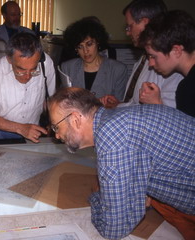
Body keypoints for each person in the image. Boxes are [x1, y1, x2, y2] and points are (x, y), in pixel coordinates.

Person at [48, 87, 195, 240]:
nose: (57, 135)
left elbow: (114, 229)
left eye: (56, 127)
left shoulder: (112, 137)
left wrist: (96, 197)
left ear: (75, 119)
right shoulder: (116, 119)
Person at [99, 0, 182, 109]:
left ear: (145, 23)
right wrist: (118, 105)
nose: (128, 33)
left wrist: (156, 104)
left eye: (130, 27)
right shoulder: (143, 59)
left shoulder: (170, 63)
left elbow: (174, 113)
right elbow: (136, 104)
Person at [0, 32, 55, 143]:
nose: (28, 76)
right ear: (9, 59)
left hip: (33, 131)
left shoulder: (45, 63)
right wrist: (21, 128)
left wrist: (52, 122)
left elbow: (51, 99)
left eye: (33, 69)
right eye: (21, 70)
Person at [139, 10, 195, 118]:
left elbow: (185, 133)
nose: (150, 63)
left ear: (176, 50)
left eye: (153, 56)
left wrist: (157, 106)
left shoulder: (188, 88)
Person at [59, 17, 128, 100]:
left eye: (89, 44)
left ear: (98, 42)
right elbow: (63, 100)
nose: (85, 51)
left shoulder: (118, 69)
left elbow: (119, 104)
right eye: (80, 47)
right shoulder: (67, 68)